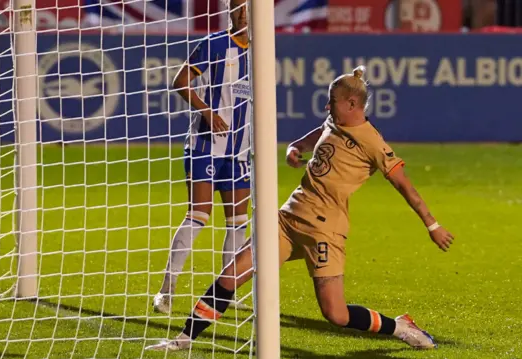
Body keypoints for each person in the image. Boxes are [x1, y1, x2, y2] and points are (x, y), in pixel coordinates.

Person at [146, 66, 455, 351]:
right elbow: (320, 131)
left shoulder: (372, 142)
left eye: (331, 101)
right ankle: (184, 340)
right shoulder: (335, 120)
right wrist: (296, 146)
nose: (326, 106)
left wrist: (432, 225)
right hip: (286, 221)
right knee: (230, 276)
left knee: (336, 314)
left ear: (351, 103)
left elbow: (406, 187)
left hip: (324, 231)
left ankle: (400, 327)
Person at [152, 0, 252, 313]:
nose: (241, 13)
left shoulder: (262, 51)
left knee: (238, 221)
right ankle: (167, 290)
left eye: (247, 8)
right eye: (236, 8)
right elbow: (180, 81)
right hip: (205, 144)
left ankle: (226, 294)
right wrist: (207, 112)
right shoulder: (214, 43)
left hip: (239, 149)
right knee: (200, 214)